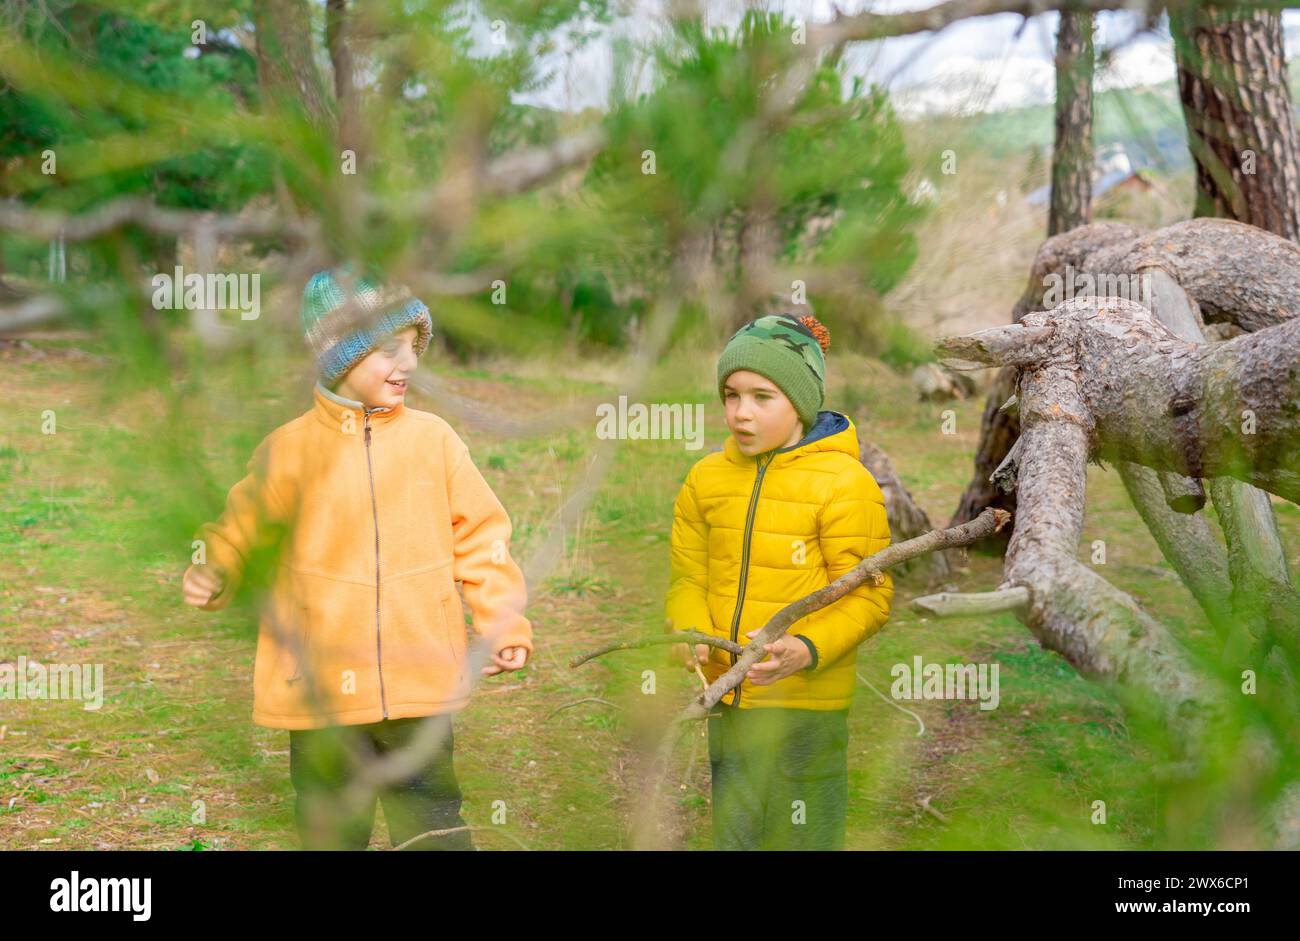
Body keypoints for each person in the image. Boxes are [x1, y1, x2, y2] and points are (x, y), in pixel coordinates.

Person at [182, 267, 532, 850]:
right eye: (388, 349)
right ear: (340, 355)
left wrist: (501, 621)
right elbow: (241, 527)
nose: (409, 364)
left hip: (419, 683)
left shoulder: (435, 442)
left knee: (434, 828)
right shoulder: (290, 451)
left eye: (413, 347)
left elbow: (481, 537)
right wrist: (215, 566)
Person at [666, 312, 893, 850]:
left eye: (762, 397)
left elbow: (871, 597)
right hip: (730, 697)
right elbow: (688, 577)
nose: (740, 413)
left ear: (800, 401)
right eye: (730, 395)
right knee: (736, 834)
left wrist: (808, 649)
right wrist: (694, 632)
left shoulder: (845, 485)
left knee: (803, 836)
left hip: (805, 709)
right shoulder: (707, 479)